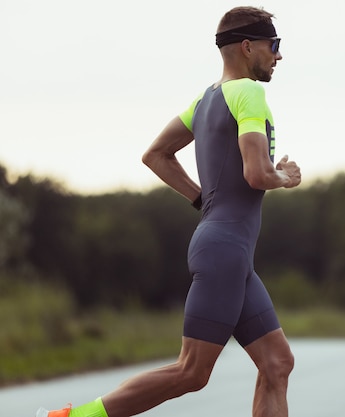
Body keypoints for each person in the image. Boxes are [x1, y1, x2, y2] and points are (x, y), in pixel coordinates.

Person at [37, 6, 301, 417]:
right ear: (248, 47)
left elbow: (155, 155)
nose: (278, 56)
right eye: (274, 46)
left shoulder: (206, 99)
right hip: (225, 252)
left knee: (277, 363)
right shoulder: (250, 92)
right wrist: (283, 176)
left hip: (229, 251)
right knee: (191, 372)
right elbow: (255, 174)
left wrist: (204, 202)